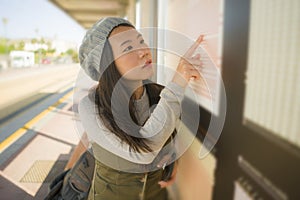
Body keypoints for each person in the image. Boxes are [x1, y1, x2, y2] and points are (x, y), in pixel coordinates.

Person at [76, 17, 204, 200]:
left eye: (141, 41)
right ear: (107, 64)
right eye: (128, 48)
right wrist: (178, 82)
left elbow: (167, 132)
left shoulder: (157, 93)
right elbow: (142, 154)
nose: (144, 51)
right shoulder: (90, 106)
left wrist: (173, 158)